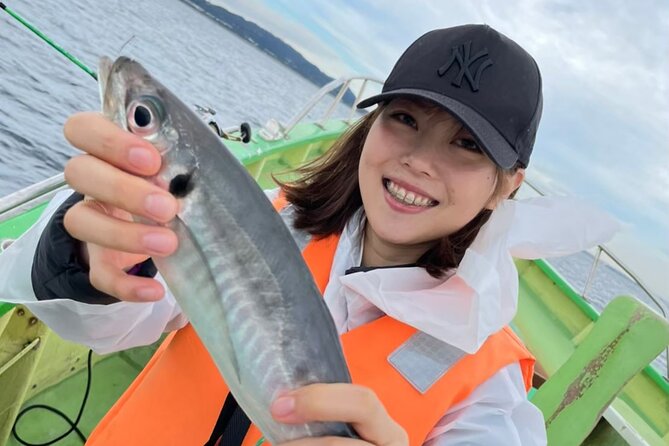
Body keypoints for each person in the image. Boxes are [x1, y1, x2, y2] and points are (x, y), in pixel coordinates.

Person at [0, 25, 619, 445]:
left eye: (467, 145)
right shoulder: (272, 219)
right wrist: (82, 254)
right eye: (405, 119)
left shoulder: (488, 379)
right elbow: (103, 323)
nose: (420, 161)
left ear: (506, 184)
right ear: (371, 125)